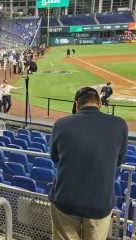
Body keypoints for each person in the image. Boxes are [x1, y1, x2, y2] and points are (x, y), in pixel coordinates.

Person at [50, 87, 128, 240]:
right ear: (99, 104)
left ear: (77, 105)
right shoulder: (119, 124)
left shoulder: (61, 124)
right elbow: (119, 161)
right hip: (99, 203)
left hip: (65, 200)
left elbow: (55, 158)